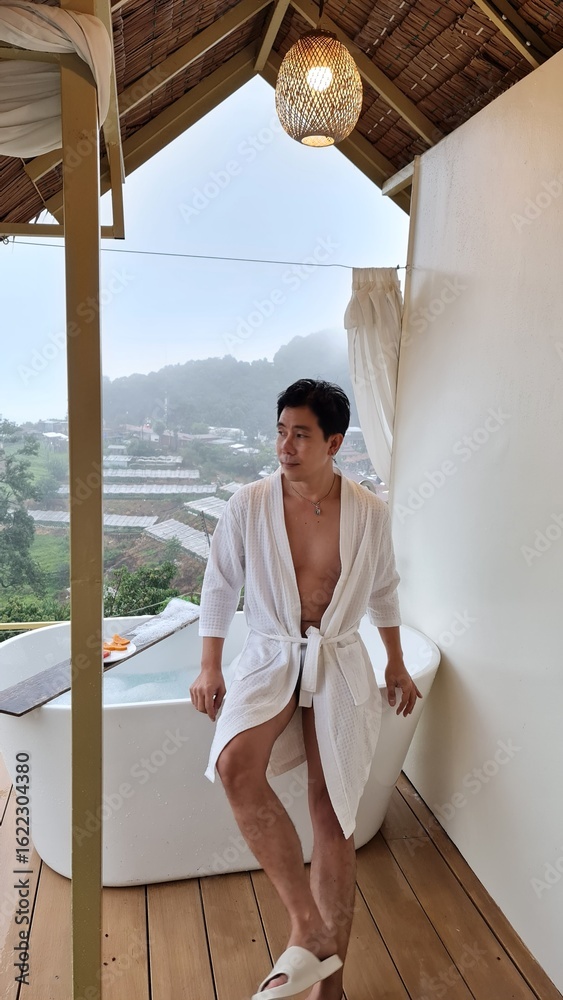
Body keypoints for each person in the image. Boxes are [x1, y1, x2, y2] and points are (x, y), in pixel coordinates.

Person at [189, 378, 422, 1000]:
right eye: (280, 432)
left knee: (333, 811)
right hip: (271, 653)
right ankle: (308, 926)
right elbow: (219, 584)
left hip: (338, 659)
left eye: (301, 435)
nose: (285, 446)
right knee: (235, 765)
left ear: (333, 443)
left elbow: (384, 590)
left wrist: (396, 663)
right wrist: (210, 665)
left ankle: (331, 987)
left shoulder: (368, 512)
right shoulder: (249, 504)